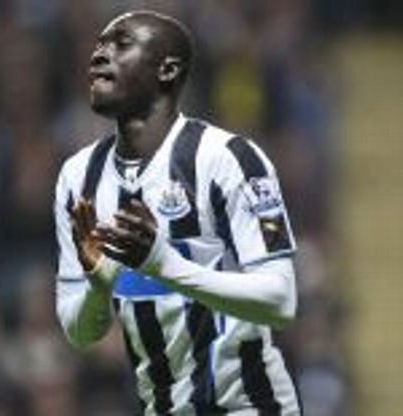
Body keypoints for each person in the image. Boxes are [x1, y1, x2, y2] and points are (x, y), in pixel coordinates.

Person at [54, 10, 301, 415]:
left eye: (121, 44)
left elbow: (281, 300)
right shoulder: (77, 178)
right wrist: (99, 285)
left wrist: (164, 265)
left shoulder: (227, 159)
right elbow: (79, 333)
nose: (99, 55)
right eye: (99, 45)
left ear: (167, 70)